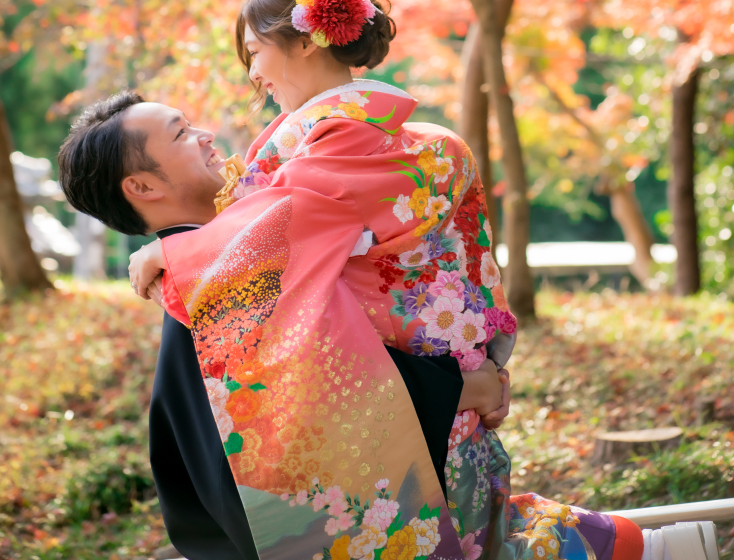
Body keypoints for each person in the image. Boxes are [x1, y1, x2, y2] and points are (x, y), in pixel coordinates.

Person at [129, 0, 645, 560]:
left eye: (256, 52)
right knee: (480, 532)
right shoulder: (373, 134)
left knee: (470, 535)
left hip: (408, 368)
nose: (254, 74)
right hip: (422, 368)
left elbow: (284, 226)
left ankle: (645, 549)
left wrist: (173, 248)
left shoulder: (346, 135)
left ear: (303, 41)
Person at [58, 91, 507, 560]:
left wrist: (476, 367)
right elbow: (323, 390)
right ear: (144, 188)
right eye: (181, 133)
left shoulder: (228, 257)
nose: (205, 135)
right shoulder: (217, 283)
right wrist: (465, 388)